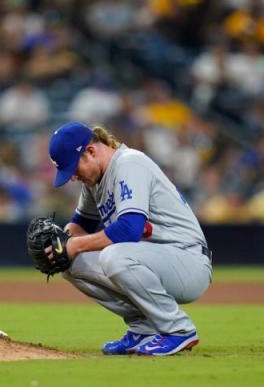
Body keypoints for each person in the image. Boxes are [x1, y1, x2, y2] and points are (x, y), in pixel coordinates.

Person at [48, 121, 212, 356]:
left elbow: (129, 230)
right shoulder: (94, 181)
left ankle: (178, 330)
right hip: (151, 259)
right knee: (69, 263)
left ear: (91, 151)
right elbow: (80, 224)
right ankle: (143, 329)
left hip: (188, 261)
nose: (72, 176)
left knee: (114, 256)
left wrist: (75, 244)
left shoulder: (129, 163)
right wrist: (61, 244)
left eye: (73, 168)